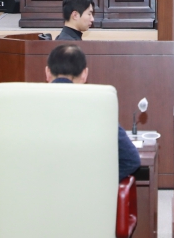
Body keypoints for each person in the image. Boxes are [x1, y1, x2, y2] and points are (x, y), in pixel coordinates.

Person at [44, 44, 141, 181]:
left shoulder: (25, 105)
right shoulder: (99, 107)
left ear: (47, 72)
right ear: (84, 74)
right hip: (84, 192)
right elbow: (131, 160)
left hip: (34, 191)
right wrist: (94, 181)